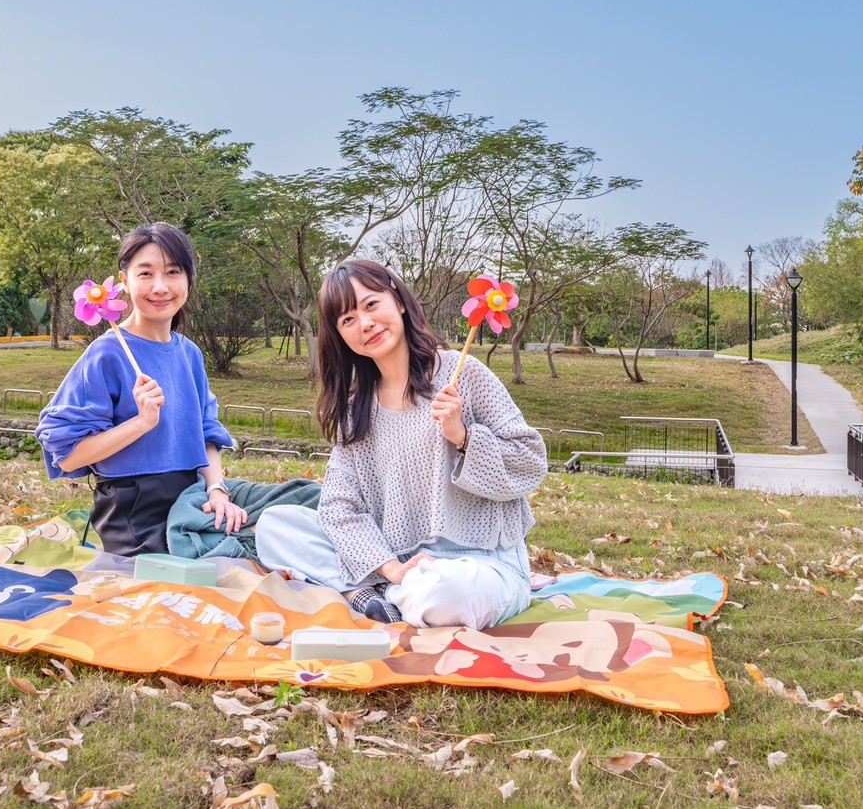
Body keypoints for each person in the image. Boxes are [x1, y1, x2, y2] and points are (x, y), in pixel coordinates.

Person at [255, 259, 547, 629]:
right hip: (394, 561)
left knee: (444, 594)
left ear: (400, 302)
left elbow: (531, 464)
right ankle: (377, 591)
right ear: (341, 337)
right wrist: (392, 568)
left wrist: (463, 436)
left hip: (481, 564)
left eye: (371, 305)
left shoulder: (463, 373)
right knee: (277, 524)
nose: (365, 324)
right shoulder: (355, 412)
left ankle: (365, 593)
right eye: (347, 320)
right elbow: (337, 507)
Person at [34, 222, 244, 557]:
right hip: (135, 511)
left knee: (287, 517)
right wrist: (141, 424)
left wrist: (217, 491)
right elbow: (68, 454)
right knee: (200, 581)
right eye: (145, 273)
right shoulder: (106, 354)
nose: (160, 287)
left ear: (189, 279)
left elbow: (205, 433)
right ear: (124, 282)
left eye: (173, 272)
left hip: (193, 497)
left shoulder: (189, 353)